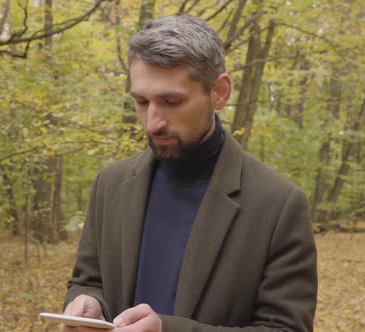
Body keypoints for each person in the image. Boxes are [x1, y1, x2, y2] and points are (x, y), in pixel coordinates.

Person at [62, 14, 317, 332]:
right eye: (142, 101)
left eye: (172, 101)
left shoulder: (278, 205)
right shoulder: (110, 184)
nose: (153, 122)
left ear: (219, 92)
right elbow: (88, 281)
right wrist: (87, 302)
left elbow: (285, 328)